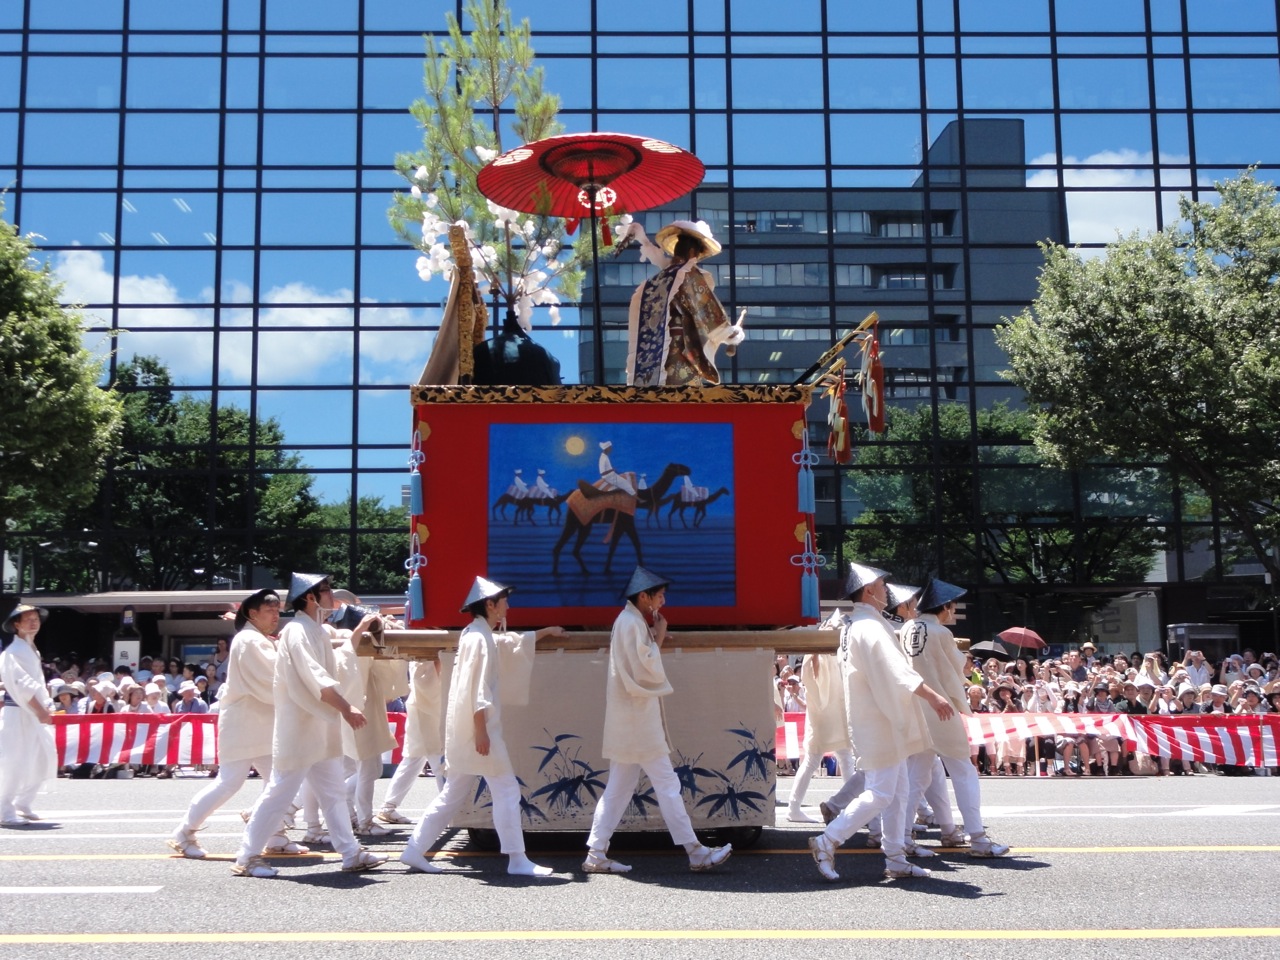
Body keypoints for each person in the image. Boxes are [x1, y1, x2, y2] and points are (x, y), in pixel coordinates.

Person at [400, 577, 562, 877]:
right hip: (478, 730)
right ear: (490, 604)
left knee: (453, 795)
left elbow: (508, 643)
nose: (508, 606)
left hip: (468, 730)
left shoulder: (475, 634)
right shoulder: (478, 637)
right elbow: (477, 689)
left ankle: (413, 850)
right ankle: (516, 859)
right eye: (504, 601)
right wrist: (481, 731)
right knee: (507, 790)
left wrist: (543, 633)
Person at [806, 563, 956, 882]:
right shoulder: (868, 627)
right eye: (881, 584)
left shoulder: (859, 623)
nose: (886, 589)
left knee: (897, 790)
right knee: (882, 792)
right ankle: (827, 841)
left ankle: (896, 857)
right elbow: (895, 671)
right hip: (878, 720)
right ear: (869, 590)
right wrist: (933, 696)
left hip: (875, 718)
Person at [231, 573, 387, 879]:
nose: (333, 596)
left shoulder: (312, 630)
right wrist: (346, 707)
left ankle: (351, 852)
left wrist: (357, 631)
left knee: (331, 792)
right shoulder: (299, 631)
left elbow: (337, 663)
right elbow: (315, 676)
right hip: (301, 728)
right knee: (280, 793)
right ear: (312, 598)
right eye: (327, 591)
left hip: (317, 726)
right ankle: (247, 857)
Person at [581, 567, 733, 875]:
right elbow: (645, 666)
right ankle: (695, 851)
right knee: (665, 783)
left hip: (631, 720)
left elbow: (640, 662)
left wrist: (654, 638)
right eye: (659, 595)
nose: (663, 600)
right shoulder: (630, 623)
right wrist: (659, 638)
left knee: (620, 789)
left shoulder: (630, 622)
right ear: (643, 597)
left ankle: (596, 853)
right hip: (637, 721)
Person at [169, 589, 307, 860]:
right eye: (269, 611)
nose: (276, 615)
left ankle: (275, 834)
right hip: (246, 724)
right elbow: (273, 678)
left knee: (277, 782)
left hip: (258, 723)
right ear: (252, 614)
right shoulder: (250, 640)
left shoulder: (256, 639)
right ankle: (184, 832)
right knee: (231, 782)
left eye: (277, 611)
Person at [897, 578, 1011, 856]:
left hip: (915, 706)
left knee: (916, 775)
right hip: (940, 708)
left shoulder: (906, 628)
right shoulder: (941, 633)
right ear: (944, 606)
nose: (954, 611)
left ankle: (902, 836)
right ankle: (979, 838)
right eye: (952, 606)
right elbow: (955, 670)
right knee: (963, 771)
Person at [622, 219, 745, 386]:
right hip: (681, 347)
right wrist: (729, 333)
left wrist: (644, 240)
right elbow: (705, 308)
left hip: (657, 351)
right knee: (686, 398)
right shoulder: (689, 275)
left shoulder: (660, 278)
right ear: (693, 252)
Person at [0, 603, 56, 826]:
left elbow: (37, 684)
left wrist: (44, 706)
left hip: (32, 712)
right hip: (18, 713)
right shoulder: (13, 652)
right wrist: (40, 709)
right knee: (15, 761)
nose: (34, 622)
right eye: (28, 619)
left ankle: (23, 801)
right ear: (16, 625)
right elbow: (22, 685)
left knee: (44, 756)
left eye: (36, 618)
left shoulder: (32, 649)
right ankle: (4, 809)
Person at [377, 659, 444, 825]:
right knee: (437, 760)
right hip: (426, 713)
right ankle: (452, 808)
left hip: (424, 711)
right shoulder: (424, 663)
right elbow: (431, 679)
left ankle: (388, 807)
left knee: (414, 760)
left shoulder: (421, 662)